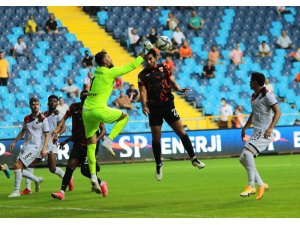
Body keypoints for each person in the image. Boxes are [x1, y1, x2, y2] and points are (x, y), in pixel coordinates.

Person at [79, 42, 152, 193]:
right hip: (98, 109)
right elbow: (130, 66)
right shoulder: (108, 72)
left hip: (86, 111)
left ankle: (93, 177)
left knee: (91, 146)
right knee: (125, 116)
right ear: (105, 62)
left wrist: (102, 53)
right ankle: (109, 140)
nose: (111, 59)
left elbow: (102, 63)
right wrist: (144, 51)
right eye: (109, 58)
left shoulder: (97, 72)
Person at [138, 49, 205, 181]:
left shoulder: (164, 67)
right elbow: (143, 91)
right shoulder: (142, 74)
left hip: (168, 105)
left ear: (156, 57)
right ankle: (158, 164)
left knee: (181, 131)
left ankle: (194, 158)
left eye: (151, 58)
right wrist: (144, 106)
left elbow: (172, 80)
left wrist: (179, 89)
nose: (149, 61)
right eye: (147, 60)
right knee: (156, 138)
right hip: (154, 109)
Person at [51, 91, 108, 200]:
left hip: (90, 145)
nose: (85, 100)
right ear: (81, 99)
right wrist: (59, 130)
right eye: (83, 98)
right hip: (78, 144)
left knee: (85, 170)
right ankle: (62, 192)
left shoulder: (94, 110)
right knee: (70, 166)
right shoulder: (74, 107)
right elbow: (65, 118)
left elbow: (103, 130)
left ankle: (101, 183)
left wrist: (96, 140)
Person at [20, 95, 73, 195]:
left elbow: (64, 128)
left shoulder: (59, 115)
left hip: (52, 143)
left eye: (55, 101)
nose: (53, 103)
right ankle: (28, 188)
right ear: (48, 103)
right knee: (31, 163)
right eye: (51, 101)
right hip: (42, 143)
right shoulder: (43, 114)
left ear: (57, 103)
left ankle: (67, 177)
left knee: (52, 168)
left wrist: (57, 134)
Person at [239, 72, 281, 200]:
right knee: (242, 159)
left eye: (251, 80)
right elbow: (254, 113)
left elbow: (278, 112)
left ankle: (251, 185)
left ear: (256, 82)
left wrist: (270, 128)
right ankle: (261, 184)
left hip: (264, 132)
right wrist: (245, 127)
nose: (249, 82)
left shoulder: (268, 95)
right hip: (256, 132)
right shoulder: (255, 96)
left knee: (247, 154)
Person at [8, 97, 50, 197]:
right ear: (30, 105)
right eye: (33, 104)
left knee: (17, 165)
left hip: (35, 147)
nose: (35, 106)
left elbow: (47, 135)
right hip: (25, 146)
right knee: (18, 168)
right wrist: (14, 142)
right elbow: (23, 131)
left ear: (39, 105)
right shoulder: (26, 118)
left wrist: (44, 149)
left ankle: (16, 191)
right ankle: (37, 179)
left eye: (37, 104)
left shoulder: (43, 119)